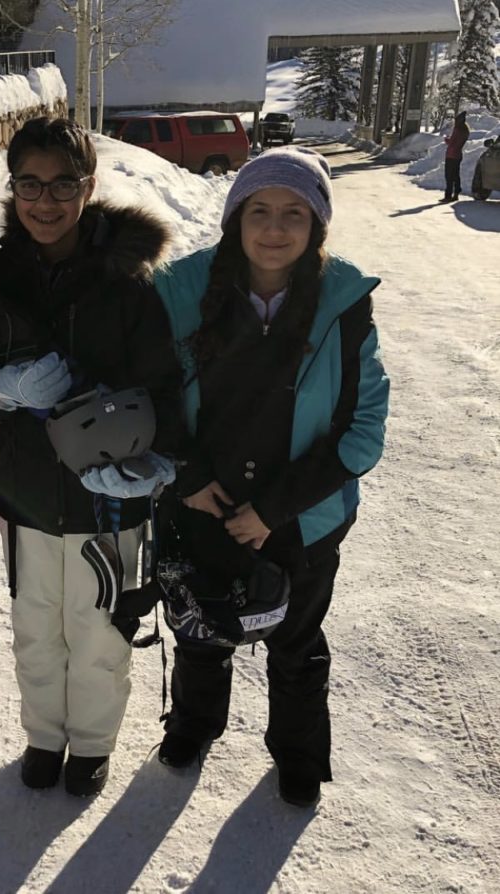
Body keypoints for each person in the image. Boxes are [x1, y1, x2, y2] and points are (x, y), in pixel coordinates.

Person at [152, 146, 390, 808]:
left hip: (301, 516)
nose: (275, 229)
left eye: (295, 213)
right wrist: (188, 476)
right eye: (259, 210)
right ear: (235, 218)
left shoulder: (341, 304)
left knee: (296, 641)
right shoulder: (182, 290)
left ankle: (299, 753)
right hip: (202, 502)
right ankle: (194, 725)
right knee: (201, 628)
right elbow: (150, 391)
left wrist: (275, 509)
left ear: (316, 225)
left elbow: (363, 427)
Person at [0, 116, 183, 797]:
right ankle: (43, 734)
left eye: (63, 184)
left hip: (106, 503)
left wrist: (153, 466)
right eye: (30, 183)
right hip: (26, 494)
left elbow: (166, 388)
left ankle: (89, 743)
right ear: (14, 187)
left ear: (88, 188)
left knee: (100, 631)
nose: (45, 201)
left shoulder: (129, 283)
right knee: (35, 629)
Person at [442, 110, 470, 202]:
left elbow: (451, 142)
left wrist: (446, 139)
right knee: (456, 175)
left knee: (449, 176)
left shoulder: (457, 130)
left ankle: (448, 195)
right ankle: (456, 193)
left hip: (451, 155)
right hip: (458, 155)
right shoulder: (465, 131)